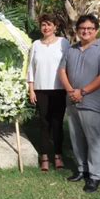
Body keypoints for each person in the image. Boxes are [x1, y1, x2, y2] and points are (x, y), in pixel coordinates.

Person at [59, 14, 100, 193]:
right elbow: (62, 71)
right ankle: (82, 170)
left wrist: (82, 91)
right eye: (82, 28)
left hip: (92, 102)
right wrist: (70, 91)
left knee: (94, 140)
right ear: (77, 31)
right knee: (76, 139)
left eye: (90, 28)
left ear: (96, 30)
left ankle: (95, 175)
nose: (86, 31)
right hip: (72, 101)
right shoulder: (71, 49)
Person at [27, 14, 70, 171]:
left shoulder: (64, 43)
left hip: (59, 89)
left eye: (49, 24)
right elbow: (31, 68)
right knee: (44, 123)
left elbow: (69, 65)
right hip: (41, 90)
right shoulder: (36, 44)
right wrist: (31, 90)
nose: (46, 28)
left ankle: (58, 155)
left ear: (55, 27)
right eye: (43, 25)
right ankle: (44, 155)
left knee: (57, 123)